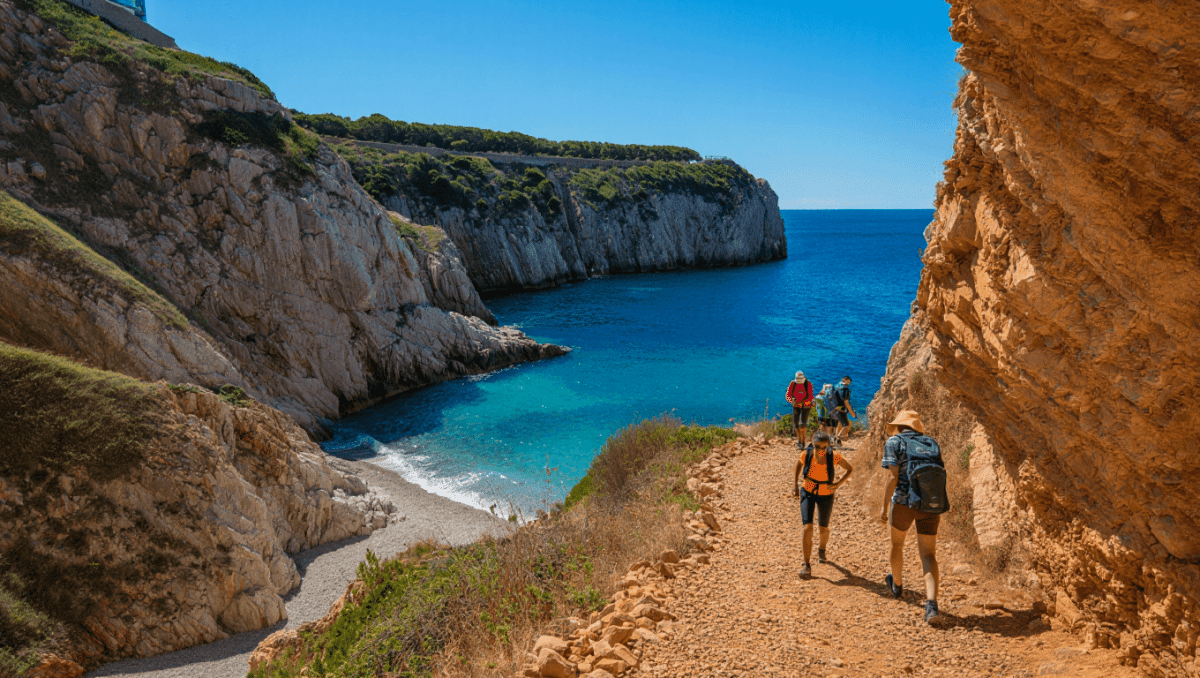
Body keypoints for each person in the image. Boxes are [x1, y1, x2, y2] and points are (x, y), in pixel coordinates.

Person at [878, 410, 950, 625]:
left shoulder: (894, 442)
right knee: (928, 554)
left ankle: (897, 585)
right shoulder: (931, 442)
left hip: (903, 504)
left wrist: (884, 508)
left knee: (897, 544)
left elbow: (894, 477)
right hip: (930, 504)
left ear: (899, 426)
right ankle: (931, 605)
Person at [793, 431, 854, 579]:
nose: (820, 450)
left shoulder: (833, 456)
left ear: (829, 446)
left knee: (823, 528)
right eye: (817, 446)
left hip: (826, 494)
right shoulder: (807, 454)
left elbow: (850, 469)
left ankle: (822, 549)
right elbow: (798, 466)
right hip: (807, 491)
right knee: (807, 527)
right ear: (812, 444)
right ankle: (806, 565)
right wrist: (795, 485)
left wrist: (838, 485)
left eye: (824, 447)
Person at [784, 371, 815, 446]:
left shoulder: (808, 384)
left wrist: (803, 403)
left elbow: (810, 396)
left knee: (803, 424)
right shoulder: (792, 384)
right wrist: (792, 402)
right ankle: (799, 439)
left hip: (806, 406)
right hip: (796, 406)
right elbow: (788, 395)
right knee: (796, 424)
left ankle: (803, 441)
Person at [830, 376, 856, 446]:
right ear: (845, 380)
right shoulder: (845, 389)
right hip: (841, 408)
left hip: (833, 407)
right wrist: (851, 412)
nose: (848, 383)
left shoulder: (835, 386)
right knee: (846, 424)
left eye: (849, 382)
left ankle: (836, 441)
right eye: (848, 382)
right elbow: (846, 402)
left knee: (839, 424)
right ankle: (837, 438)